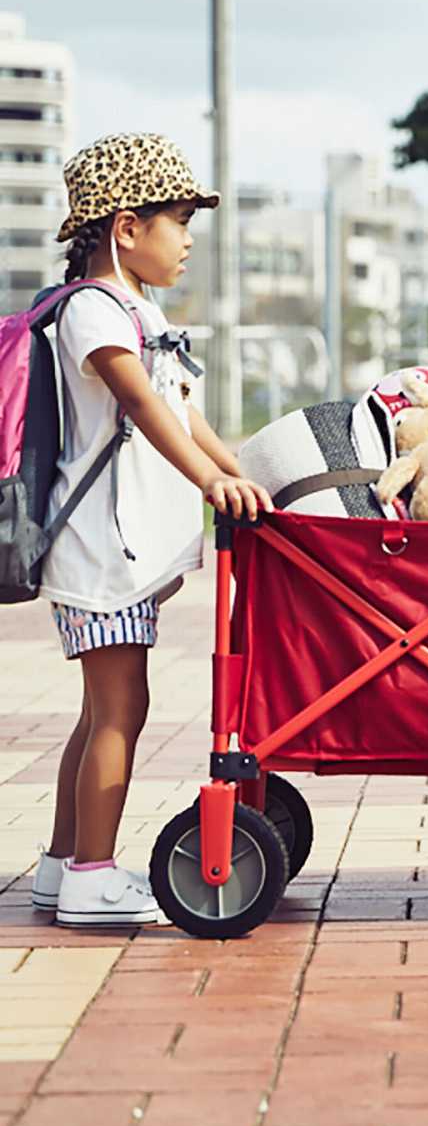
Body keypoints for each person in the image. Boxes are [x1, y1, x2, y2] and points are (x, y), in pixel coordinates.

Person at [30, 133, 272, 927]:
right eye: (178, 220)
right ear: (127, 228)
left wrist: (237, 468)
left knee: (101, 710)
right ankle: (93, 877)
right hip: (103, 551)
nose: (189, 237)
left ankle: (62, 865)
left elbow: (183, 408)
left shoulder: (136, 308)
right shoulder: (93, 312)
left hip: (118, 551)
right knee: (120, 710)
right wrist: (210, 484)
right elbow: (142, 404)